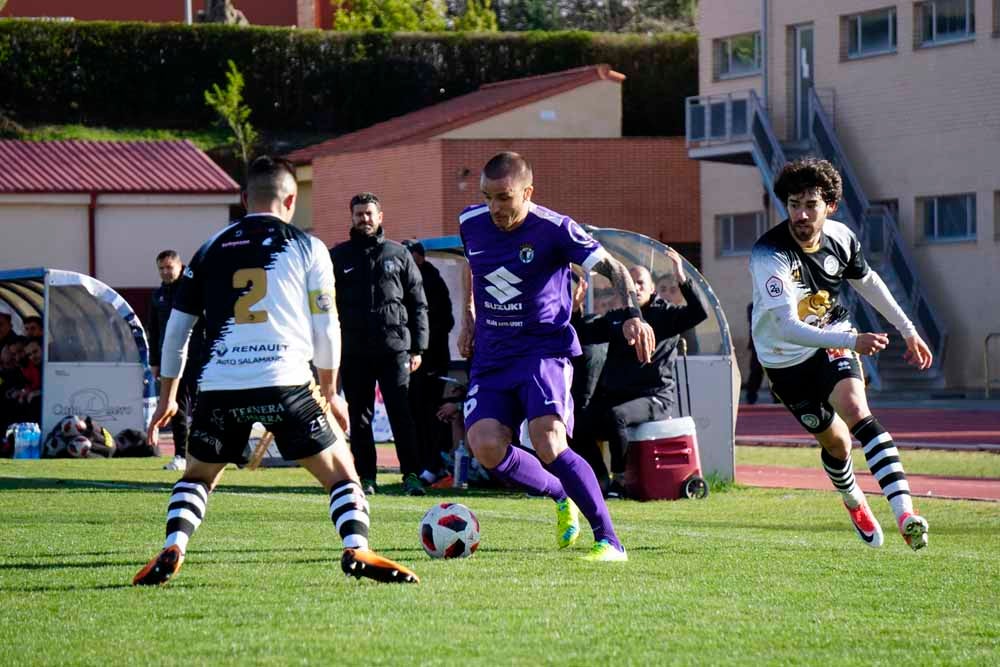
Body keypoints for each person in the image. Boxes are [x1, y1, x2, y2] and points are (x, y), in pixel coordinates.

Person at [135, 156, 418, 586]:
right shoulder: (309, 247)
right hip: (286, 383)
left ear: (244, 199)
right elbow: (327, 324)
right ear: (291, 199)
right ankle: (356, 546)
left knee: (197, 477)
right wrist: (330, 390)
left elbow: (177, 328)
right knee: (343, 474)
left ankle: (176, 542)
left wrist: (169, 396)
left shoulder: (210, 247)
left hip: (219, 385)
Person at [458, 151, 655, 561]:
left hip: (542, 351)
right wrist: (469, 316)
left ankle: (610, 540)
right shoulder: (471, 223)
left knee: (549, 441)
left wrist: (633, 316)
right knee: (486, 447)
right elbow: (471, 265)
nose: (494, 207)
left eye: (504, 198)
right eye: (487, 197)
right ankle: (560, 492)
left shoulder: (555, 229)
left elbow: (614, 268)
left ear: (527, 192)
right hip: (493, 355)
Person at [749, 157, 931, 551]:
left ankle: (905, 515)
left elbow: (868, 282)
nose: (800, 214)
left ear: (829, 205)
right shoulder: (769, 254)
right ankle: (853, 500)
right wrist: (857, 342)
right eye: (793, 204)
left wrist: (908, 330)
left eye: (810, 205)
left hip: (832, 336)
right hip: (783, 359)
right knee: (837, 444)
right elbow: (786, 328)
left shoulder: (842, 238)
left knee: (857, 413)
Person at [574, 254, 708, 498]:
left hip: (654, 397)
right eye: (630, 284)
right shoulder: (618, 317)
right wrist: (576, 309)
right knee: (576, 424)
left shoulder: (664, 314)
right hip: (618, 397)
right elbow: (584, 334)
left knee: (617, 417)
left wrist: (681, 277)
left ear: (653, 289)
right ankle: (600, 480)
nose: (635, 288)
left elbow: (699, 313)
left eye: (641, 284)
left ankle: (621, 481)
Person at [330, 194, 429, 496]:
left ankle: (411, 475)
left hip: (394, 349)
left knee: (401, 413)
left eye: (369, 214)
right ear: (352, 217)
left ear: (380, 216)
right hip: (354, 351)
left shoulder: (398, 254)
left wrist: (418, 347)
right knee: (360, 417)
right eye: (359, 214)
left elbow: (418, 303)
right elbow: (325, 307)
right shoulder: (339, 257)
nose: (365, 219)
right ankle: (366, 478)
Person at [402, 239, 456, 485]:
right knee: (414, 414)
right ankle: (424, 463)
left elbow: (445, 321)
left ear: (419, 257)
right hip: (418, 359)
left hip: (431, 360)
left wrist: (420, 345)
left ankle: (435, 464)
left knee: (428, 413)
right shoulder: (411, 281)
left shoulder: (431, 281)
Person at [148, 249, 206, 472]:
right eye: (161, 268)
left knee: (204, 405)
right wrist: (155, 361)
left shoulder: (193, 290)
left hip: (197, 357)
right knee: (175, 408)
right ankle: (181, 454)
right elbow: (154, 330)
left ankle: (211, 452)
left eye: (169, 267)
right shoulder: (158, 296)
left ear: (180, 266)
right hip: (170, 361)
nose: (165, 272)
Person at [655, 272, 700, 355]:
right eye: (663, 290)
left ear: (681, 296)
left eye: (673, 291)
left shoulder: (686, 321)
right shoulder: (647, 316)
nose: (667, 294)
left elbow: (692, 354)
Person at [744, 302, 765, 404]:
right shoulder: (753, 306)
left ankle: (777, 399)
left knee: (775, 372)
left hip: (773, 345)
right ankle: (751, 396)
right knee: (756, 372)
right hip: (758, 345)